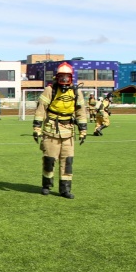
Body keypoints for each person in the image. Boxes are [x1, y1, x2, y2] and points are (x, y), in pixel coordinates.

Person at [33, 62, 87, 199]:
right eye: (61, 77)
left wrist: (83, 130)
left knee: (67, 162)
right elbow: (41, 109)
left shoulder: (76, 92)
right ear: (57, 77)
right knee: (49, 160)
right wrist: (36, 128)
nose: (64, 80)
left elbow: (81, 112)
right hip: (51, 131)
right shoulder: (49, 90)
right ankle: (46, 186)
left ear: (71, 78)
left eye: (66, 77)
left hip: (68, 132)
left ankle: (65, 190)